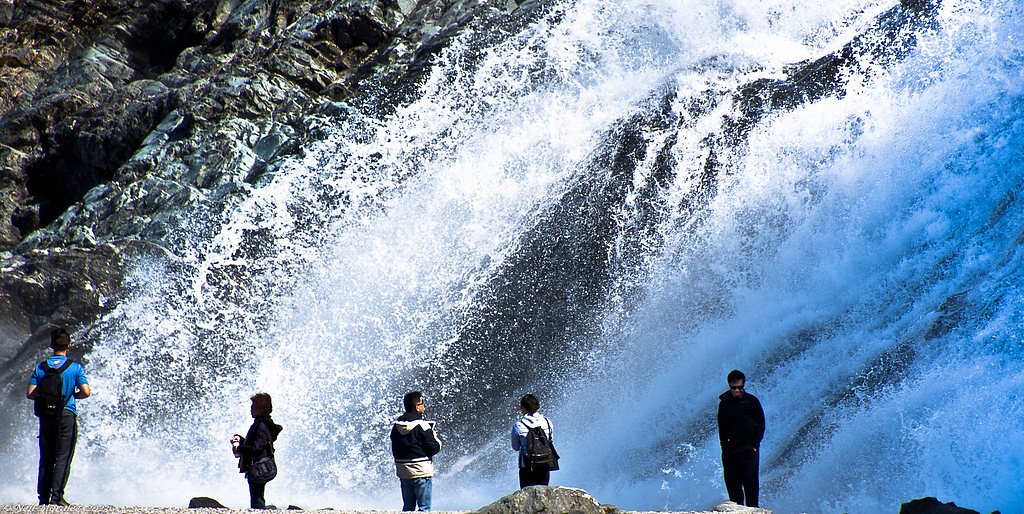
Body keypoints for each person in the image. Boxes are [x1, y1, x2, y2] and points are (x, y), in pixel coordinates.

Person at [26, 328, 90, 506]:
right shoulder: (74, 368)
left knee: (46, 456)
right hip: (66, 414)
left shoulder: (41, 367)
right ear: (69, 346)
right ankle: (57, 497)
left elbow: (30, 393)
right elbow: (86, 392)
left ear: (51, 346)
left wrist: (47, 397)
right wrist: (72, 395)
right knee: (63, 456)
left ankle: (43, 498)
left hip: (46, 416)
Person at [717, 369, 765, 508]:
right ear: (729, 385)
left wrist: (755, 444)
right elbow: (721, 426)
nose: (737, 391)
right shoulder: (724, 403)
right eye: (734, 388)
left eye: (740, 387)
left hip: (749, 449)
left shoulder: (752, 401)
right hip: (730, 451)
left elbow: (761, 423)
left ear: (744, 385)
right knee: (733, 488)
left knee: (751, 487)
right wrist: (724, 447)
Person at [390, 391, 442, 511]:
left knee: (408, 508)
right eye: (423, 403)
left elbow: (396, 447)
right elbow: (433, 448)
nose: (424, 406)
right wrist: (434, 437)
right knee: (424, 508)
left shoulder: (397, 426)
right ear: (418, 407)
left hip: (403, 472)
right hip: (421, 471)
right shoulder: (423, 426)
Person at [230, 393, 283, 509]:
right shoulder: (263, 423)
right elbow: (257, 444)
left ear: (262, 407)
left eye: (254, 404)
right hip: (260, 467)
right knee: (257, 496)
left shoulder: (261, 425)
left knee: (257, 499)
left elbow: (256, 449)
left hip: (258, 468)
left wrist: (238, 447)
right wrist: (240, 438)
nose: (251, 408)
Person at [511, 393, 555, 489]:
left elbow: (515, 447)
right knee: (543, 493)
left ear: (523, 407)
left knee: (526, 496)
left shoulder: (518, 425)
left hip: (526, 465)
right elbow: (550, 440)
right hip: (545, 462)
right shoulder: (547, 421)